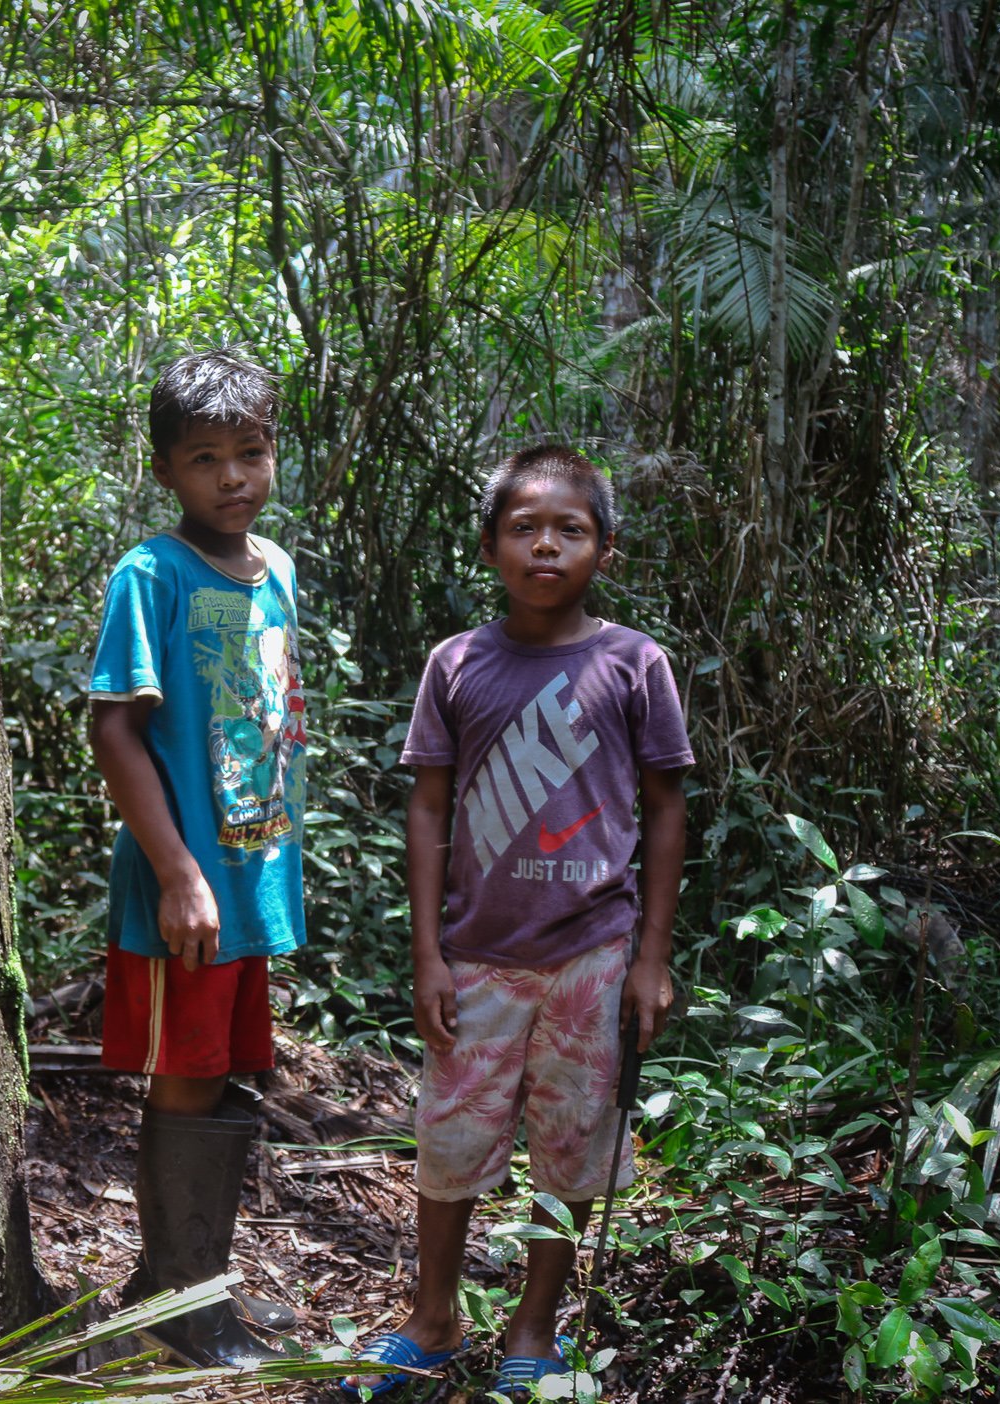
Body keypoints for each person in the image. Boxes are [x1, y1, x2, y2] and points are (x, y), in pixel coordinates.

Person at [343, 445, 692, 1398]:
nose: (547, 545)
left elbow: (665, 808)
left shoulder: (634, 664)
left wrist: (650, 958)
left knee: (572, 1146)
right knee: (450, 1142)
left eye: (569, 529)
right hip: (479, 956)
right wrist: (428, 955)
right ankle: (434, 1317)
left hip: (592, 954)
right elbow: (427, 807)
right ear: (491, 546)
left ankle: (535, 1328)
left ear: (605, 549)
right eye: (524, 528)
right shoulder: (456, 664)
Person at [86, 347, 308, 1368]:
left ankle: (177, 1283)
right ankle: (182, 1307)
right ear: (166, 470)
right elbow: (116, 732)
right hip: (184, 888)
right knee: (184, 1079)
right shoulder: (150, 574)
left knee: (227, 1074)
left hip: (250, 881)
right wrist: (177, 871)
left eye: (249, 452)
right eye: (205, 458)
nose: (231, 478)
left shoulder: (280, 575)